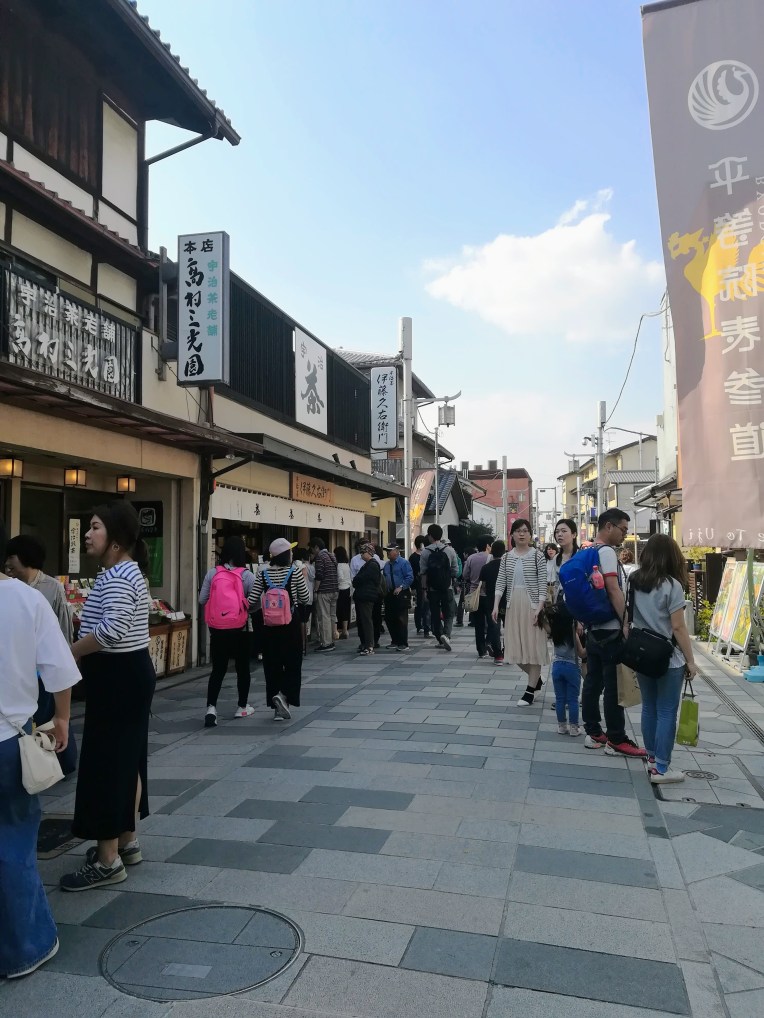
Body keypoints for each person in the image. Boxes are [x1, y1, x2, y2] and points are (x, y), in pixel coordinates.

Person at [60, 502, 156, 891]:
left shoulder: (117, 576)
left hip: (117, 678)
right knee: (128, 760)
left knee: (106, 766)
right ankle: (126, 841)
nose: (88, 534)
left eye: (95, 527)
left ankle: (107, 860)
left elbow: (112, 629)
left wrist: (72, 651)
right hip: (131, 675)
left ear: (114, 539)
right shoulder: (128, 571)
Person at [0, 520, 80, 978]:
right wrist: (62, 720)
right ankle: (24, 949)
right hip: (10, 741)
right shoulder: (27, 598)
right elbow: (60, 669)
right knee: (12, 840)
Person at [5, 534, 77, 775]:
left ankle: (57, 763)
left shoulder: (50, 588)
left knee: (46, 719)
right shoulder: (20, 591)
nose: (8, 564)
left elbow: (64, 631)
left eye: (12, 557)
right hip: (21, 677)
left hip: (42, 671)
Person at [630, 534, 698, 783]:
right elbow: (678, 628)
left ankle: (651, 758)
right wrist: (691, 661)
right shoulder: (672, 585)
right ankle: (662, 768)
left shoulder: (634, 580)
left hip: (642, 654)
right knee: (667, 710)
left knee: (649, 706)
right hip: (669, 657)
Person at [581, 508, 647, 758]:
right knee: (613, 686)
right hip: (610, 629)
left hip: (593, 627)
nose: (624, 535)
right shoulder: (606, 552)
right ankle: (617, 739)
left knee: (592, 681)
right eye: (623, 529)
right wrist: (626, 621)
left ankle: (594, 731)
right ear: (608, 526)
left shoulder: (586, 550)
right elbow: (612, 588)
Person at [248, 538, 311, 720]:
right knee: (292, 663)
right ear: (286, 554)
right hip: (290, 624)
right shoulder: (295, 572)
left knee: (272, 664)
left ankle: (277, 709)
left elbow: (253, 599)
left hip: (269, 626)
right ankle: (284, 696)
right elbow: (305, 597)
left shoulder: (263, 573)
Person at [199, 536, 256, 727]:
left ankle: (211, 708)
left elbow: (202, 599)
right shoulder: (247, 575)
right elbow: (256, 601)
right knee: (242, 668)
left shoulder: (213, 573)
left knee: (218, 669)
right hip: (241, 628)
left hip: (217, 629)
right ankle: (242, 706)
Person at [492, 519, 548, 705]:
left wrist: (539, 607)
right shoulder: (507, 557)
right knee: (513, 649)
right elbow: (501, 581)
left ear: (530, 534)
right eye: (518, 531)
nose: (522, 534)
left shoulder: (537, 556)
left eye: (525, 531)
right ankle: (537, 679)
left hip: (532, 606)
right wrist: (495, 605)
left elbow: (542, 584)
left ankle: (530, 691)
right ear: (512, 535)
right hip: (512, 605)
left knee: (533, 648)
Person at [549, 599, 586, 736]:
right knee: (572, 700)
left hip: (557, 667)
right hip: (572, 667)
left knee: (560, 699)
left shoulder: (555, 634)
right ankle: (574, 728)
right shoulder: (573, 634)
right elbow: (581, 653)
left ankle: (561, 726)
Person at [420, 524, 459, 652]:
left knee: (435, 614)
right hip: (447, 587)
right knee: (449, 613)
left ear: (430, 536)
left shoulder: (425, 552)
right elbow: (455, 570)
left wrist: (424, 590)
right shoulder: (450, 550)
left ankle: (440, 635)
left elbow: (423, 573)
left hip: (432, 589)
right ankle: (446, 635)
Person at [463, 537, 493, 658]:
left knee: (479, 624)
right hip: (489, 595)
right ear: (487, 546)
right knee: (492, 622)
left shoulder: (471, 558)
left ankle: (481, 650)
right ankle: (488, 642)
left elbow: (465, 575)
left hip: (475, 595)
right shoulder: (491, 558)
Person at [352, 543, 382, 655]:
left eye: (363, 552)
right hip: (364, 595)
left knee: (367, 621)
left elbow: (359, 579)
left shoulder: (372, 565)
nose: (361, 555)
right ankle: (367, 644)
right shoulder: (368, 565)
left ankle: (369, 645)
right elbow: (357, 580)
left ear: (369, 553)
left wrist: (357, 580)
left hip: (367, 596)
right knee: (364, 621)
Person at [383, 543, 414, 651]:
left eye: (390, 551)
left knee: (401, 618)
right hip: (389, 593)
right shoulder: (387, 565)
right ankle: (394, 640)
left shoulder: (403, 563)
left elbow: (409, 577)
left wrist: (401, 587)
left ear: (396, 551)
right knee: (389, 618)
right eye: (387, 551)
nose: (387, 553)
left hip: (401, 593)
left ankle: (403, 643)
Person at [479, 540, 506, 663]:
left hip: (491, 601)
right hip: (506, 601)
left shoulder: (485, 568)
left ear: (492, 551)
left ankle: (498, 655)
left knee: (494, 627)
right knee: (509, 627)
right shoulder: (507, 567)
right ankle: (509, 651)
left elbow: (483, 587)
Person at [311, 538, 338, 652]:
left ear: (317, 547)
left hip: (324, 591)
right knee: (331, 616)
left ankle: (326, 643)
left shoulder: (320, 558)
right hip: (334, 590)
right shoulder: (331, 556)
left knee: (324, 617)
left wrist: (315, 591)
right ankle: (331, 640)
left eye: (313, 549)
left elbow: (319, 576)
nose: (313, 552)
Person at [409, 535, 432, 637]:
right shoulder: (413, 557)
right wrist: (413, 587)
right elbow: (412, 573)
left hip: (426, 584)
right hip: (418, 584)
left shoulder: (426, 555)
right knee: (420, 605)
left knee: (426, 606)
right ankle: (420, 625)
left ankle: (425, 624)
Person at [334, 546, 352, 639]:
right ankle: (345, 630)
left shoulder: (339, 565)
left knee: (338, 610)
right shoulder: (346, 564)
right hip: (348, 588)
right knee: (346, 610)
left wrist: (335, 582)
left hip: (340, 589)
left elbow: (340, 577)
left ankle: (339, 631)